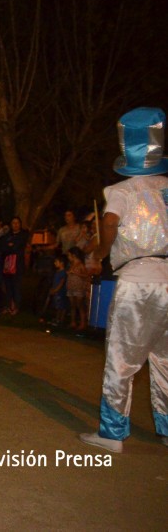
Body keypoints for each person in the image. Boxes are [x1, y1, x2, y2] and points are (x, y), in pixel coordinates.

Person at [80, 107, 168, 453]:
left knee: (122, 357)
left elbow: (112, 223)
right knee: (165, 360)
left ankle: (113, 433)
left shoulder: (120, 191)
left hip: (137, 280)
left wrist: (100, 251)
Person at [0, 216, 30, 315]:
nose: (15, 225)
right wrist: (10, 247)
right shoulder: (7, 236)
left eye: (17, 223)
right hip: (7, 264)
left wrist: (11, 247)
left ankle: (16, 306)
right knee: (8, 286)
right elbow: (3, 247)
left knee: (16, 286)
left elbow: (17, 247)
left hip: (18, 264)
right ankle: (9, 305)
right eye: (13, 223)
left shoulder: (24, 235)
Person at [65, 246, 89, 330]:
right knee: (72, 306)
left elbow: (86, 275)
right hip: (71, 287)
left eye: (69, 255)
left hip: (78, 288)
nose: (68, 257)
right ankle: (73, 322)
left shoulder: (80, 264)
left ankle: (83, 323)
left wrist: (77, 274)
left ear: (74, 255)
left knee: (80, 305)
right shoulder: (72, 264)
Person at [45, 253, 69, 326]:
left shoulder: (63, 273)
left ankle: (60, 320)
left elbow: (62, 282)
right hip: (56, 291)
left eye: (56, 262)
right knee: (58, 306)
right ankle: (57, 319)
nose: (54, 263)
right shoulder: (57, 272)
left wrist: (56, 290)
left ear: (62, 263)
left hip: (60, 292)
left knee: (61, 306)